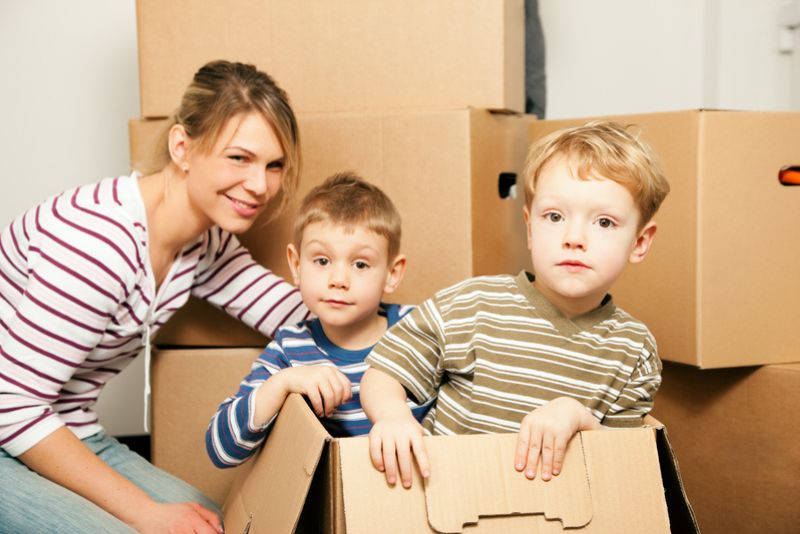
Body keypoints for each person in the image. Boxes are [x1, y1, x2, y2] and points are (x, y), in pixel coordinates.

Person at [0, 60, 310, 533]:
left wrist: (411, 333)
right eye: (239, 158)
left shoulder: (203, 241)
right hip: (11, 425)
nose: (259, 185)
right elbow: (12, 405)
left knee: (219, 525)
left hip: (68, 428)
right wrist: (146, 513)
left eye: (274, 165)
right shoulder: (98, 244)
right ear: (182, 147)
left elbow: (295, 315)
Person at [361, 121, 670, 489]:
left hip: (556, 510)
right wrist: (393, 417)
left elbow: (623, 469)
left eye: (604, 222)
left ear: (640, 242)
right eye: (554, 217)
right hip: (446, 497)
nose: (574, 238)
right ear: (530, 227)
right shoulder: (472, 305)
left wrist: (580, 418)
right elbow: (385, 372)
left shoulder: (634, 350)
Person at [206, 172, 431, 468]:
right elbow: (221, 450)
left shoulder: (417, 330)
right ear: (296, 265)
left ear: (392, 273)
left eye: (360, 264)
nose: (338, 280)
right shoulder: (290, 349)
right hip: (335, 492)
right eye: (322, 261)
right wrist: (283, 383)